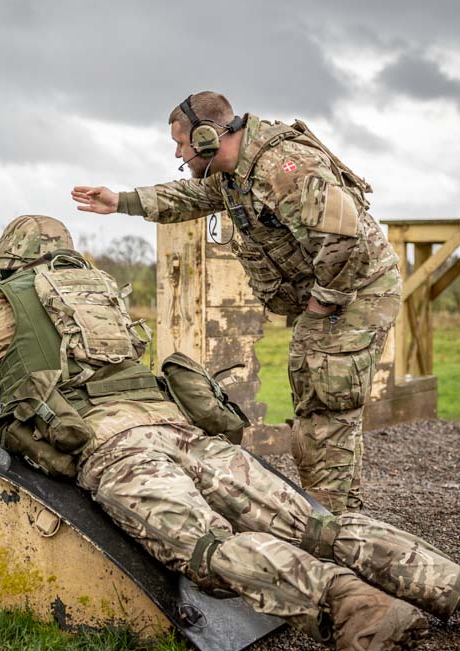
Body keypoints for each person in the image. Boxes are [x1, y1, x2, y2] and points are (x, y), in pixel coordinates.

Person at [0, 214, 460, 651]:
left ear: (10, 262)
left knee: (204, 545)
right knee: (316, 523)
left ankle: (354, 608)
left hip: (114, 447)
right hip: (182, 430)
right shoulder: (103, 290)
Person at [72, 92, 400, 515]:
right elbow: (190, 198)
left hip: (355, 292)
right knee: (326, 405)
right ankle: (341, 513)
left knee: (325, 401)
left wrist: (322, 306)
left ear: (207, 137)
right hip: (336, 293)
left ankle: (332, 522)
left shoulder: (285, 168)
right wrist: (121, 201)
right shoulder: (233, 173)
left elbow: (344, 239)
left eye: (180, 143)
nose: (177, 152)